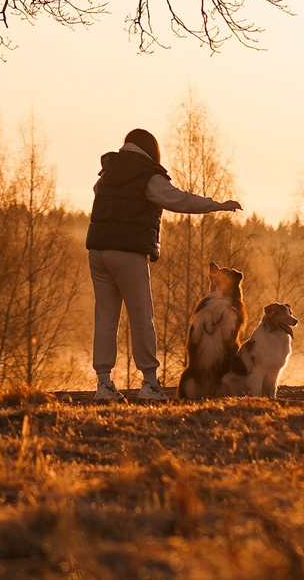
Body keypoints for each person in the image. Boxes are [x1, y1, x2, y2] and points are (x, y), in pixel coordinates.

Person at [84, 126, 241, 401]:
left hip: (98, 249)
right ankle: (149, 383)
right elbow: (178, 199)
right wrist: (216, 205)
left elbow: (99, 197)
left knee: (105, 318)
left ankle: (104, 384)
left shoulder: (108, 172)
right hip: (127, 252)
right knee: (142, 316)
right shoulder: (145, 174)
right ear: (151, 151)